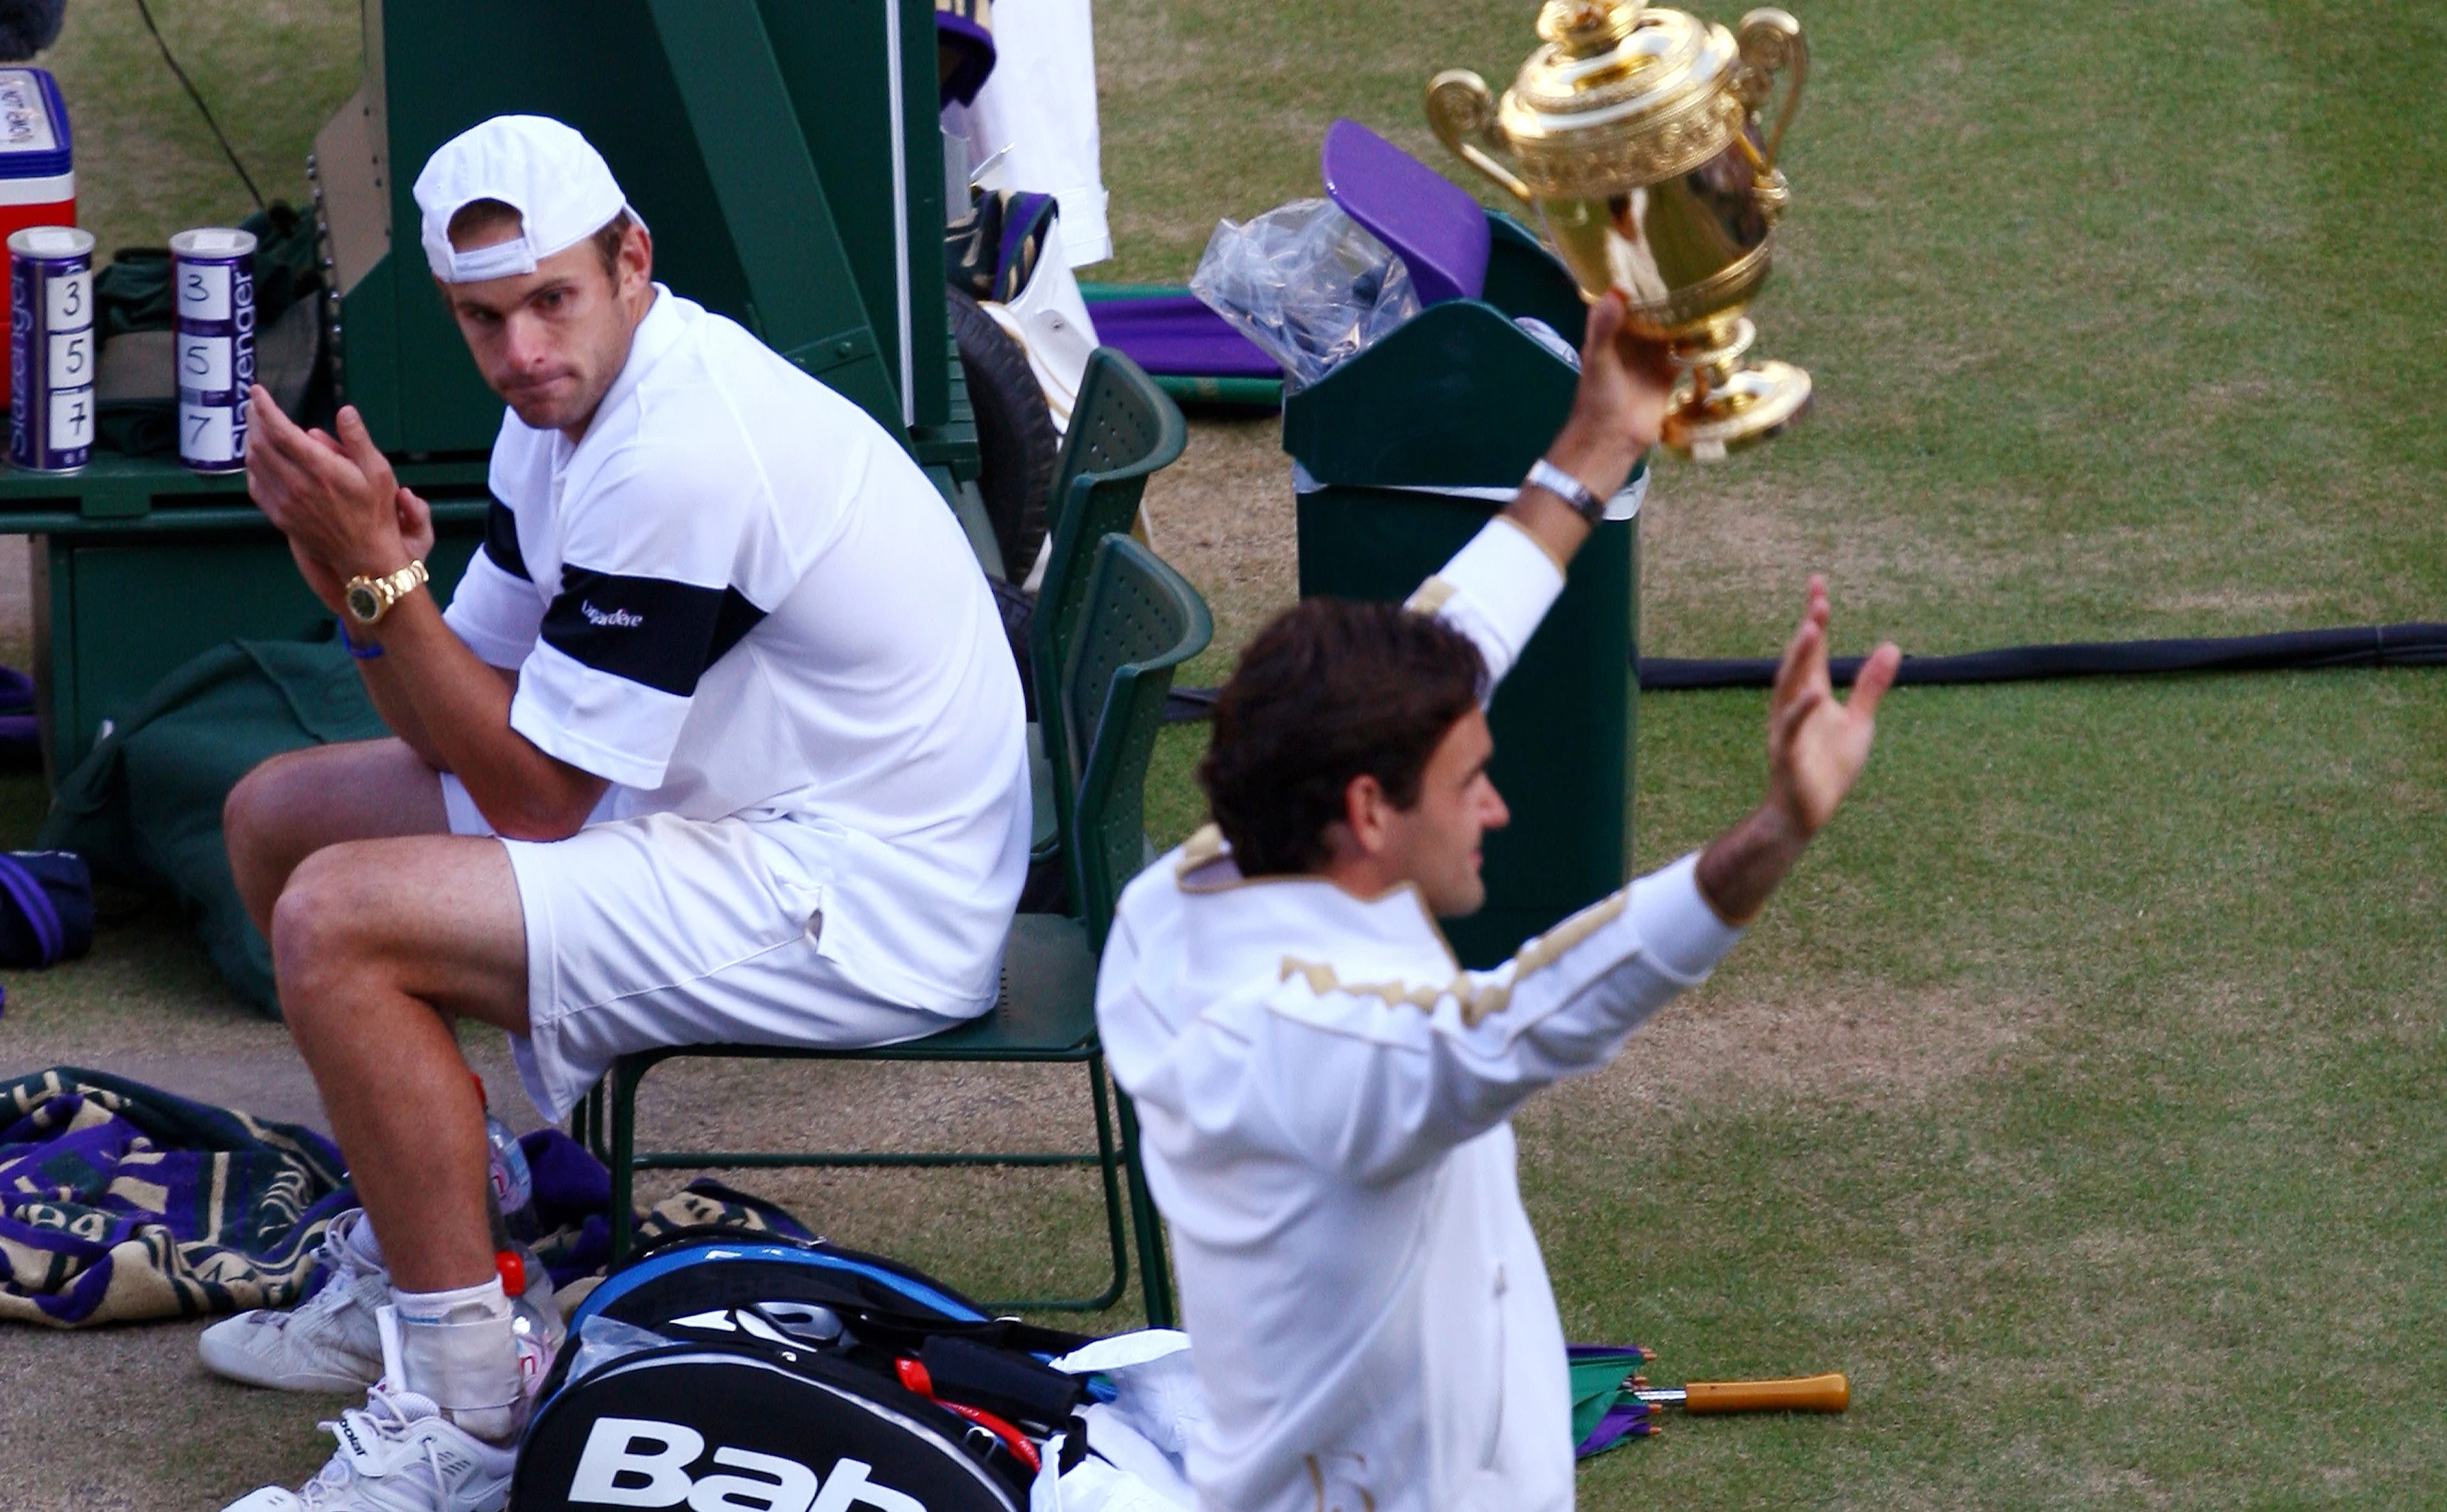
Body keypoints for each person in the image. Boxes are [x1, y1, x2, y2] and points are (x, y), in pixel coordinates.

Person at [207, 115, 1030, 1512]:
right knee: (279, 815)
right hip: (741, 811)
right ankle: (450, 1247)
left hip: (863, 892)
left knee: (336, 920)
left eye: (550, 301)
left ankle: (467, 1415)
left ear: (631, 261)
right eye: (484, 319)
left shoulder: (678, 449)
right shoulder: (565, 414)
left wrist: (377, 589)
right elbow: (465, 702)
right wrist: (361, 589)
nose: (521, 349)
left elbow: (532, 795)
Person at [1093, 291, 1901, 1512]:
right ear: (1368, 811)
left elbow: (1442, 638)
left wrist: (1600, 443)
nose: (1499, 810)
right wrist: (1773, 835)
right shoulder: (1325, 1052)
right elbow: (1534, 1013)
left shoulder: (1191, 893)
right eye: (1472, 782)